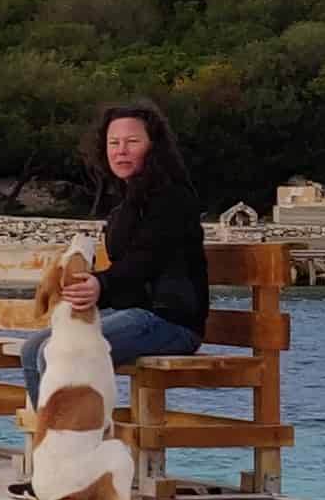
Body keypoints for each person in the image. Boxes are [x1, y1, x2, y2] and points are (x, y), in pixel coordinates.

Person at [27, 101, 211, 374]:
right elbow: (125, 274)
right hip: (132, 315)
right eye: (113, 143)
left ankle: (76, 418)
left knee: (57, 355)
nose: (121, 151)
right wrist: (87, 291)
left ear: (153, 146)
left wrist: (101, 284)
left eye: (132, 141)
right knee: (32, 350)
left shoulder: (173, 198)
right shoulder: (125, 203)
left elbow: (147, 260)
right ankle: (53, 418)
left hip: (170, 322)